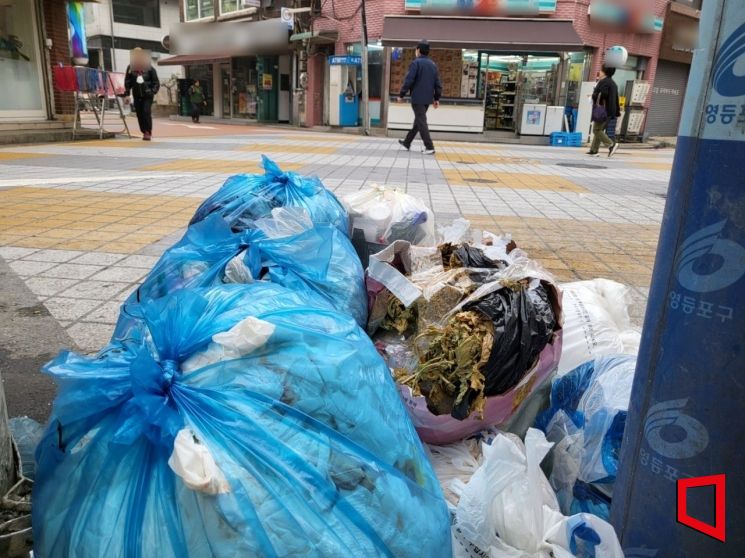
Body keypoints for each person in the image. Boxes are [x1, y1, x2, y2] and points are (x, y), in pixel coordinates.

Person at [398, 40, 442, 155]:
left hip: (417, 98)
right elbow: (438, 83)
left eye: (415, 50)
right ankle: (407, 142)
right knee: (419, 121)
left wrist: (401, 94)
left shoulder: (416, 63)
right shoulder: (433, 65)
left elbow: (409, 80)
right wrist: (437, 98)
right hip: (427, 99)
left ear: (418, 50)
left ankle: (429, 146)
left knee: (421, 122)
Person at [124, 47, 160, 141]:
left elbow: (156, 83)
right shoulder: (130, 68)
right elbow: (127, 82)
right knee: (139, 114)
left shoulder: (150, 68)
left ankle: (148, 131)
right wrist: (127, 94)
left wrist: (152, 91)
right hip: (136, 95)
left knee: (146, 112)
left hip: (147, 96)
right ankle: (144, 131)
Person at [588, 66, 621, 157]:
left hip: (603, 111)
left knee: (597, 130)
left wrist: (593, 95)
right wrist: (617, 111)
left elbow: (603, 94)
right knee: (599, 129)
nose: (599, 71)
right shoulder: (613, 83)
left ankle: (611, 144)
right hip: (610, 111)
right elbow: (616, 98)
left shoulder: (604, 82)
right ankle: (594, 150)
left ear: (605, 72)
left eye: (601, 70)